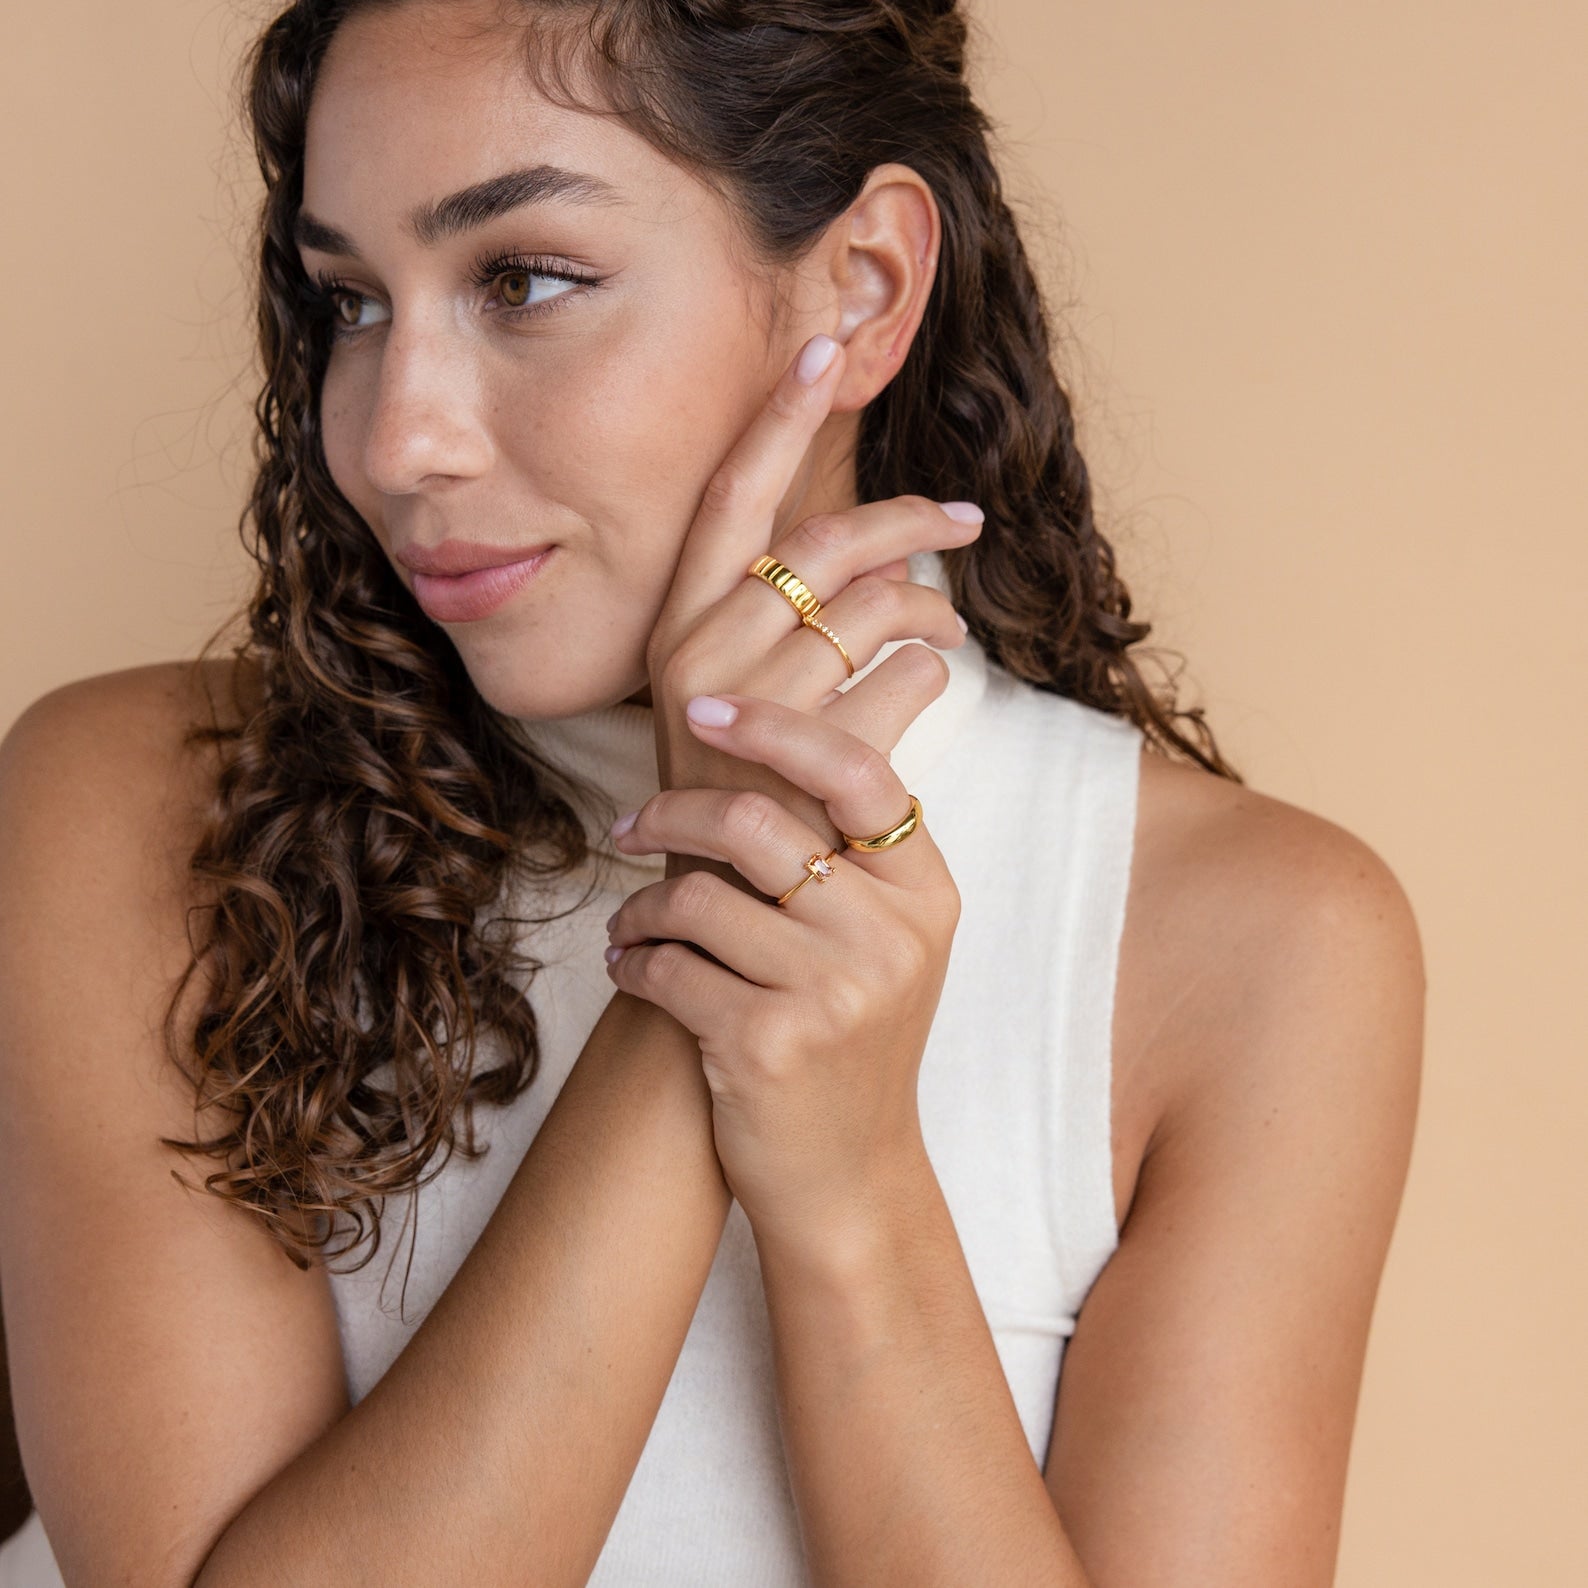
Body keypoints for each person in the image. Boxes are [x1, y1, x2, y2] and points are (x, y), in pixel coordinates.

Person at [0, 1, 1425, 1584]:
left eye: (524, 279)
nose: (397, 438)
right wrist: (717, 941)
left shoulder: (1249, 942)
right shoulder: (144, 809)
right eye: (349, 301)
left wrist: (854, 1190)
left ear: (865, 287)